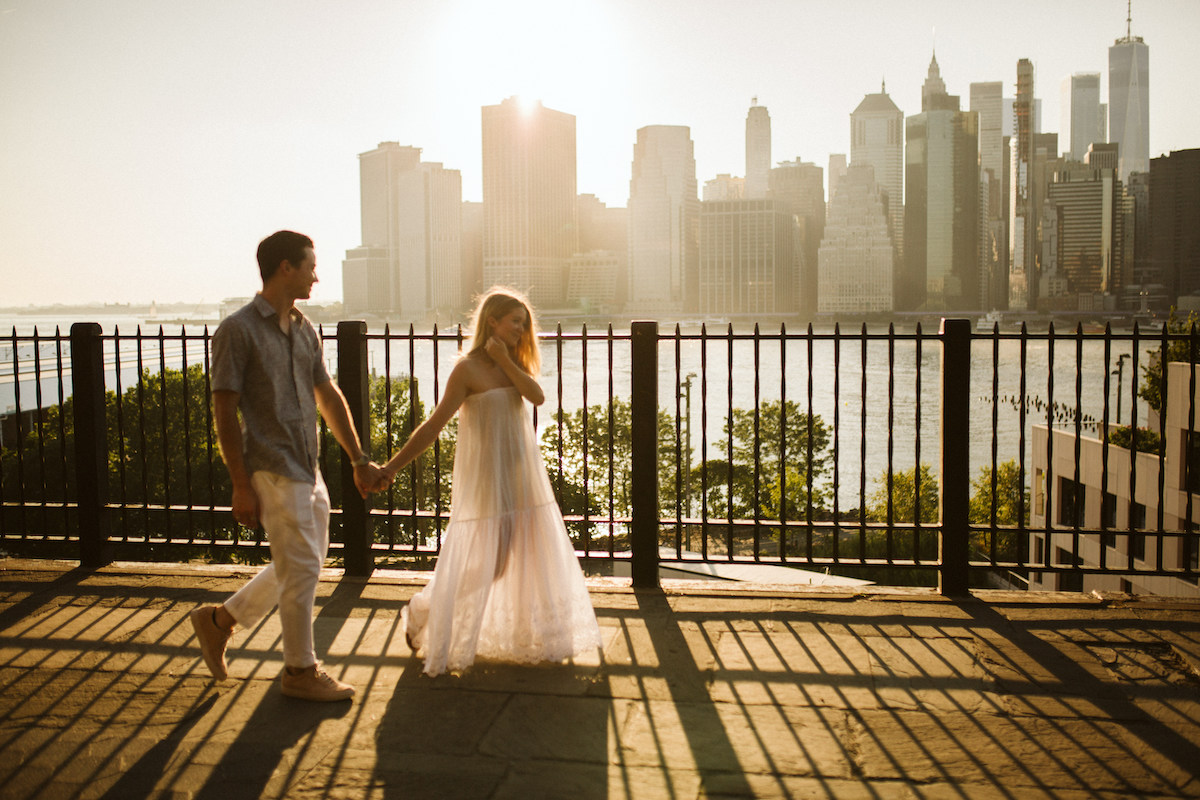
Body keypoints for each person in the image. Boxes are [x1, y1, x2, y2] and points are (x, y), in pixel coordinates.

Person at [189, 230, 384, 702]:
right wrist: (240, 483)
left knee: (304, 564)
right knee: (300, 568)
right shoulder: (238, 329)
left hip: (307, 465)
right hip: (271, 466)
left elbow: (329, 396)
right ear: (285, 268)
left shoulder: (304, 328)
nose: (317, 275)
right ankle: (300, 670)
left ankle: (219, 620)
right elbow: (224, 410)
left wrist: (358, 458)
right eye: (311, 266)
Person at [376, 287, 602, 676]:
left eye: (524, 323)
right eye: (515, 321)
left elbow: (537, 396)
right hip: (487, 477)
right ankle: (423, 608)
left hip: (522, 475)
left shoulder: (514, 362)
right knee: (494, 564)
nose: (521, 329)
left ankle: (532, 631)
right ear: (492, 321)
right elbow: (433, 426)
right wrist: (392, 467)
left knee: (529, 555)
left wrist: (505, 360)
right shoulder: (466, 369)